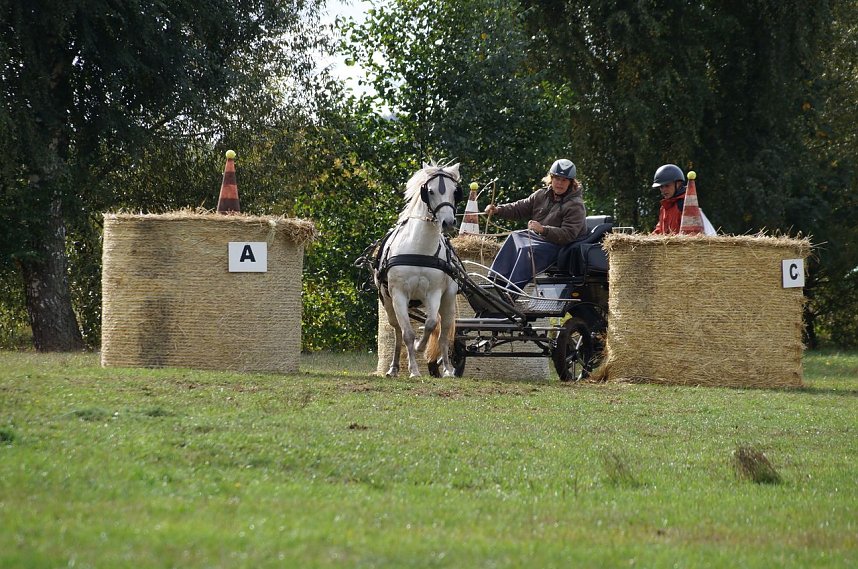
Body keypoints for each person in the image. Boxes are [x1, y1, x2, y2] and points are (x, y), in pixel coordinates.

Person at [484, 158, 587, 289]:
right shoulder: (541, 194)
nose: (559, 183)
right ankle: (495, 282)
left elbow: (568, 234)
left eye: (564, 180)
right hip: (539, 239)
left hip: (558, 246)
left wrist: (543, 229)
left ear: (571, 183)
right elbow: (519, 208)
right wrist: (498, 209)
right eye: (557, 178)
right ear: (551, 178)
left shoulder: (575, 205)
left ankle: (512, 290)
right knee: (515, 236)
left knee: (528, 249)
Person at [651, 164, 686, 234]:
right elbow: (659, 230)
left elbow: (692, 232)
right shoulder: (664, 207)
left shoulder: (684, 205)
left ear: (678, 184)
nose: (663, 190)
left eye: (667, 185)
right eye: (661, 187)